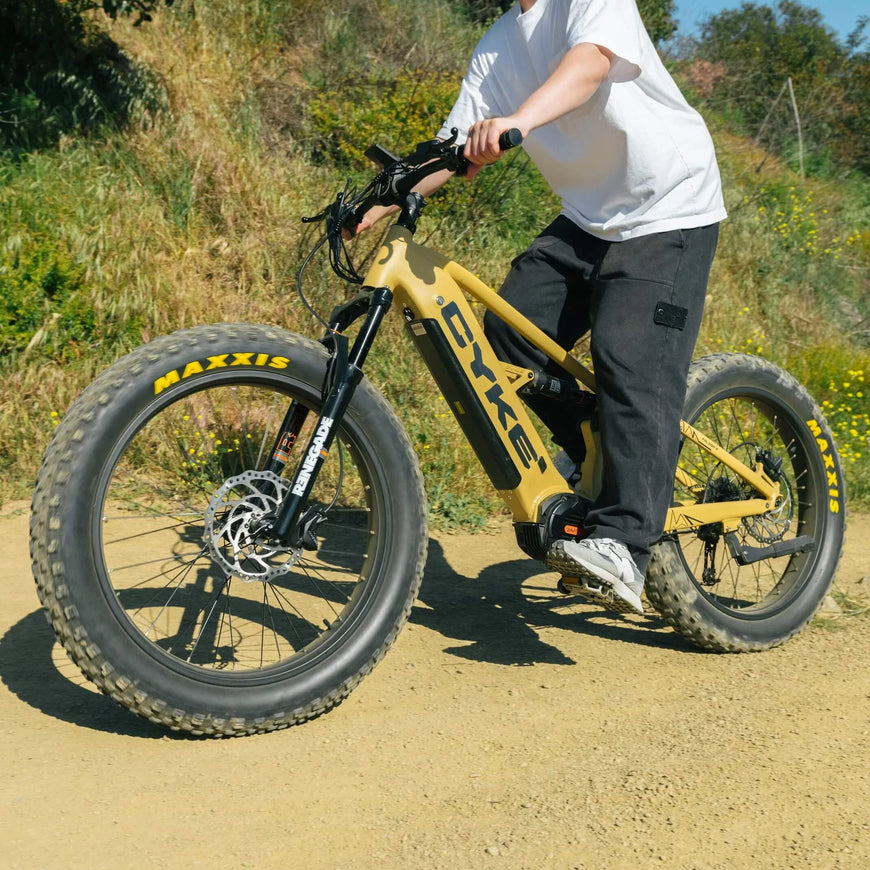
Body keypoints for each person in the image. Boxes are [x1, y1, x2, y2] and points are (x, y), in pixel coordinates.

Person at [354, 0, 726, 615]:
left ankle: (627, 541)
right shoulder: (501, 43)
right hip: (590, 219)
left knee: (627, 360)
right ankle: (600, 451)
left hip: (668, 206)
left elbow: (590, 63)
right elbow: (456, 143)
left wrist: (518, 121)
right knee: (504, 342)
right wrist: (382, 198)